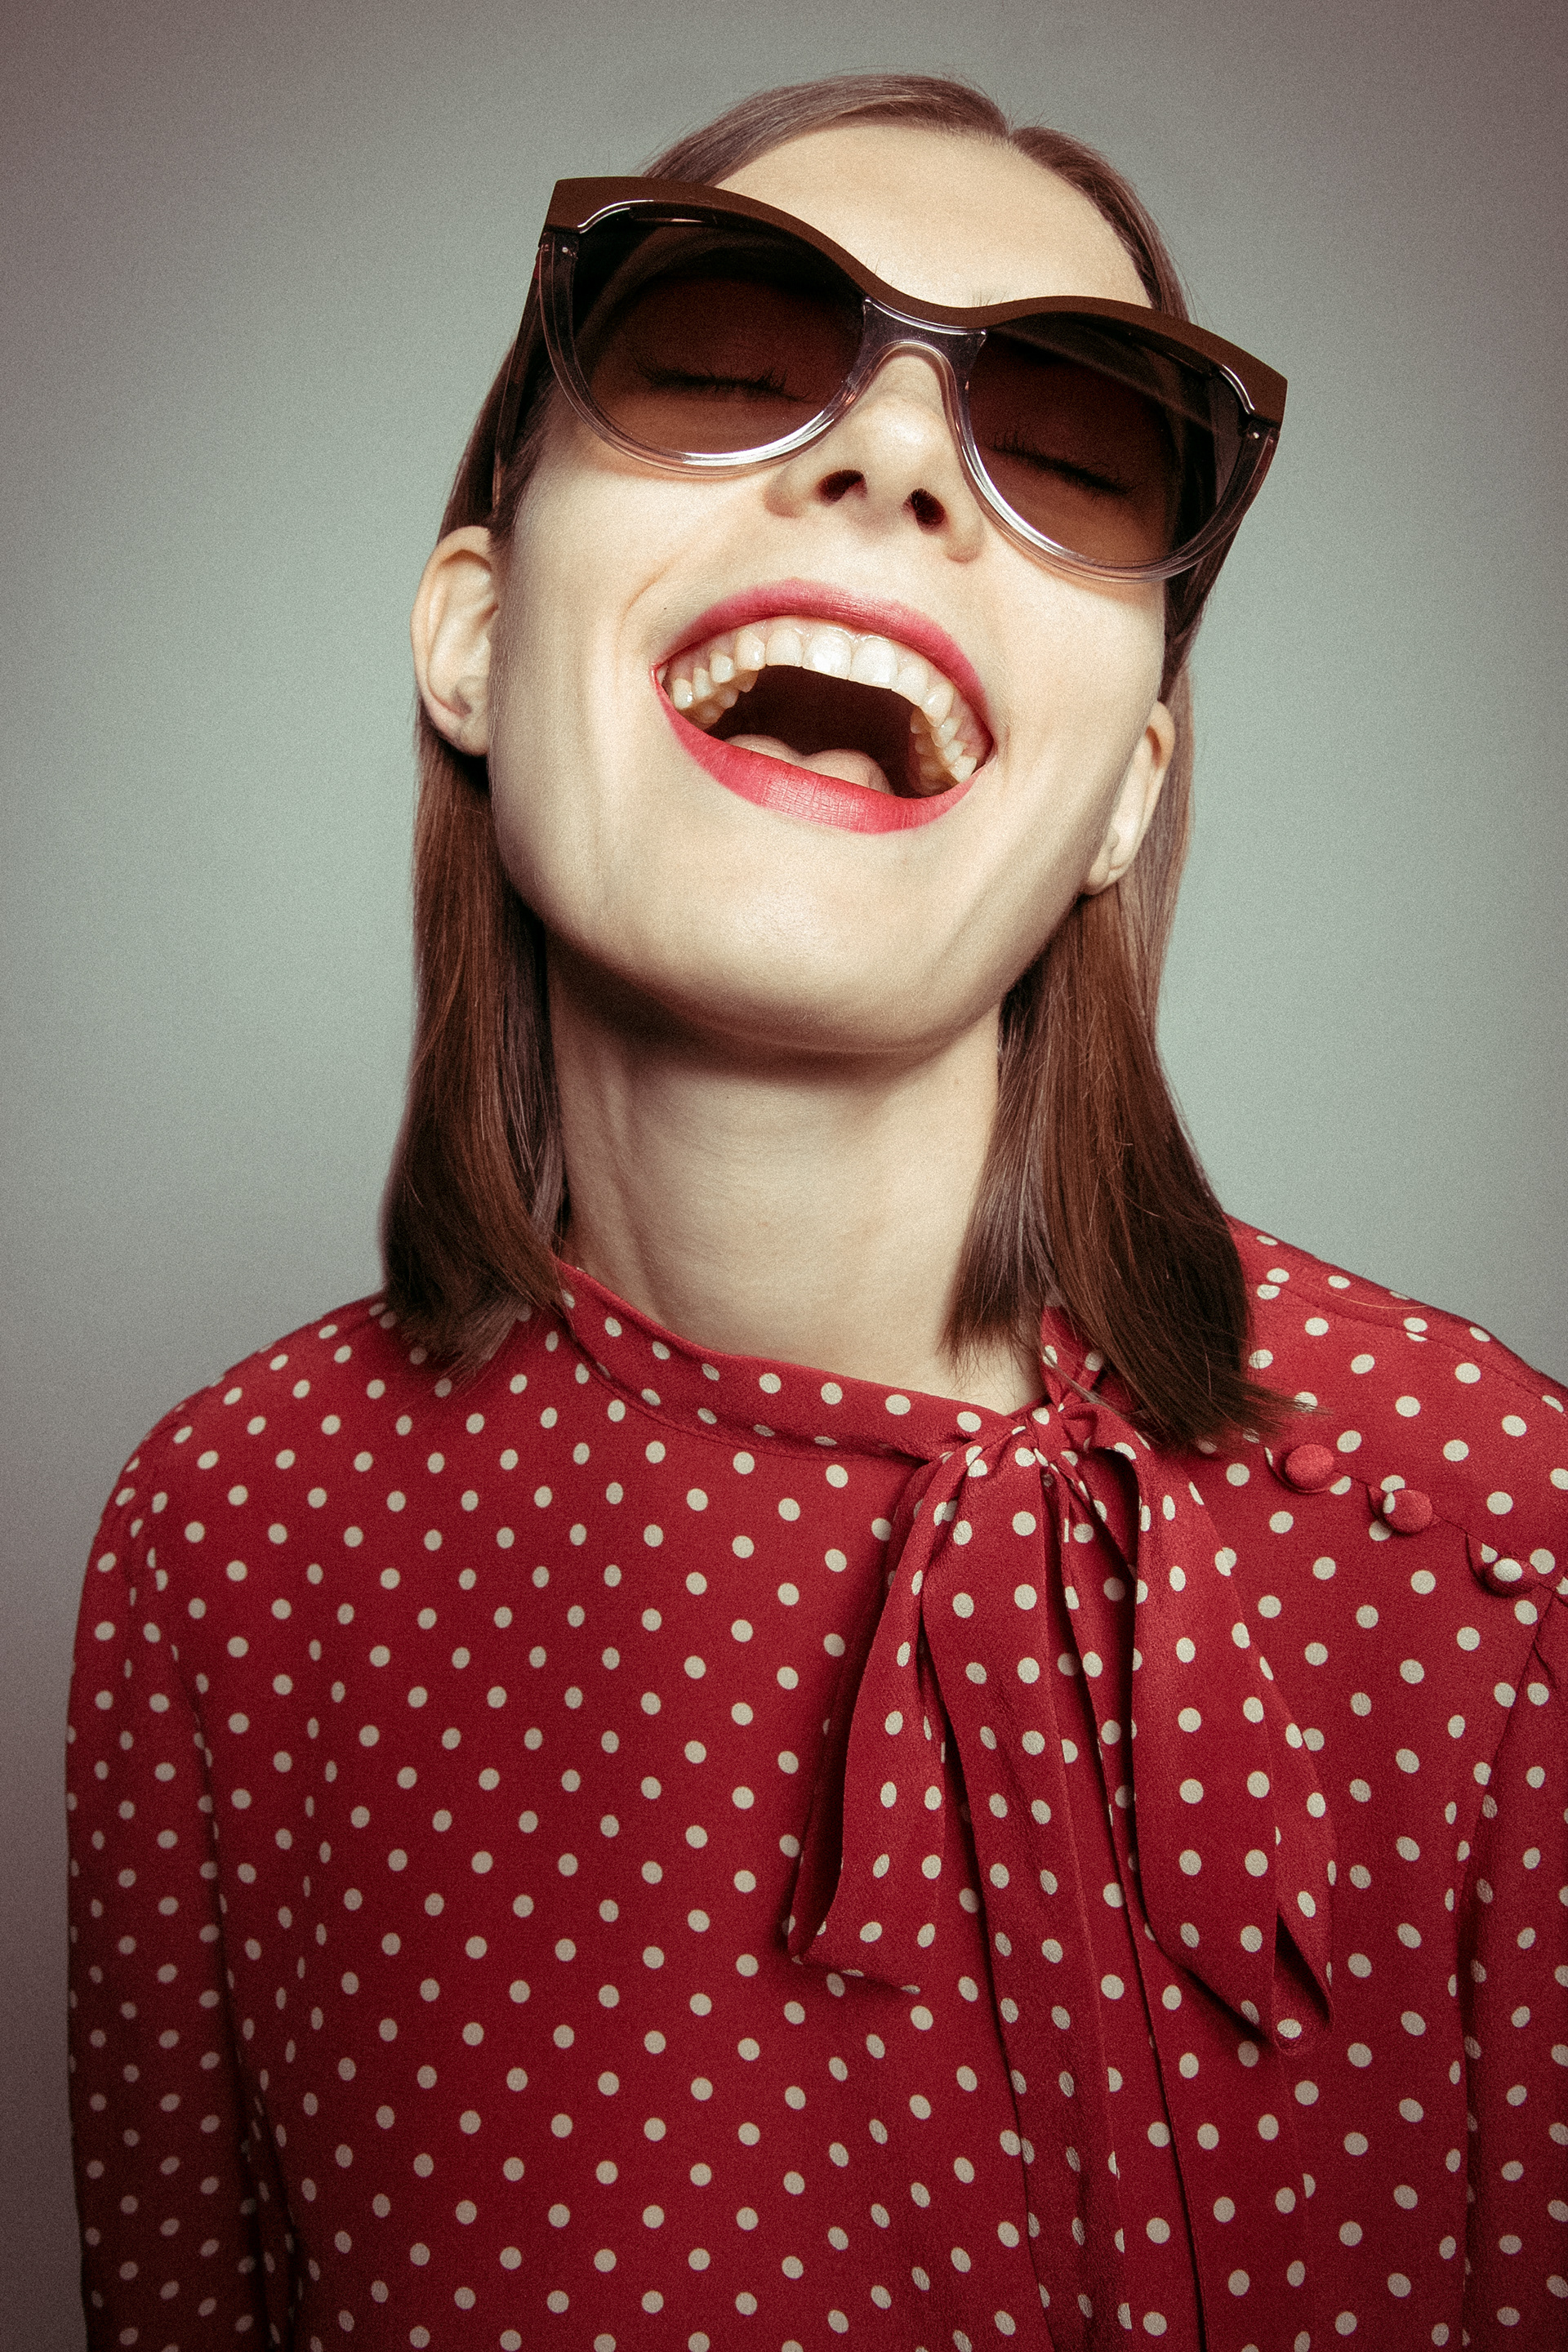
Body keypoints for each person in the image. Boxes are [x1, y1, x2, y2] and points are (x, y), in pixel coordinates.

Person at [66, 71, 1566, 2352]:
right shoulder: (231, 1555)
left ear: (1124, 789)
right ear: (474, 633)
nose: (890, 461)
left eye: (1067, 449)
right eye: (720, 363)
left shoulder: (1496, 1554)